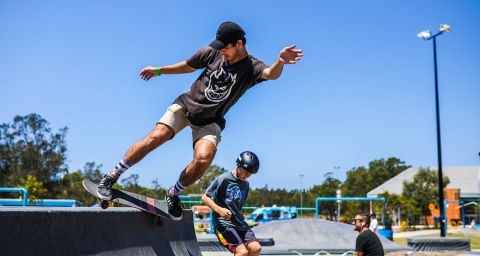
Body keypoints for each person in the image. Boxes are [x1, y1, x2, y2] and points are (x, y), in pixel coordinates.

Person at [95, 21, 303, 218]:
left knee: (203, 158)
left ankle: (173, 194)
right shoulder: (212, 51)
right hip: (185, 107)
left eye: (226, 48)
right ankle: (111, 176)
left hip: (211, 120)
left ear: (239, 44)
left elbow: (270, 74)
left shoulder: (252, 67)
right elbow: (188, 65)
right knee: (157, 136)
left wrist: (280, 61)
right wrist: (159, 71)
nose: (221, 52)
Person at [201, 151, 261, 256]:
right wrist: (220, 210)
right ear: (239, 166)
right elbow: (205, 197)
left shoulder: (245, 185)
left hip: (239, 223)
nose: (247, 175)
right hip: (223, 224)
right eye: (246, 171)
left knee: (256, 248)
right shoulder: (224, 179)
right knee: (241, 252)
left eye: (250, 173)